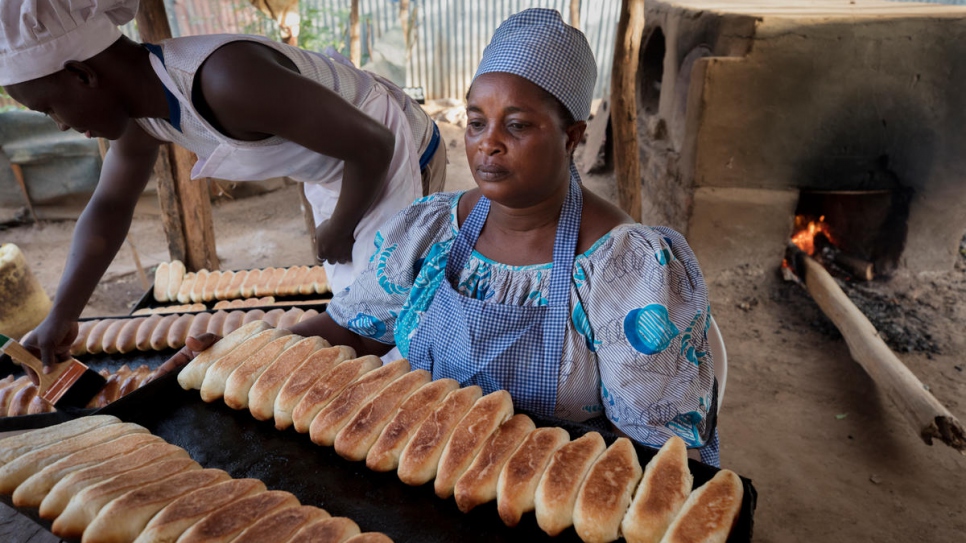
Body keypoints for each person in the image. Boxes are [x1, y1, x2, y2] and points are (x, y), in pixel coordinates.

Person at [288, 8, 720, 465]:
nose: (487, 143)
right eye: (476, 122)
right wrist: (255, 353)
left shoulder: (626, 270)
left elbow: (652, 453)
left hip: (550, 492)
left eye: (516, 125)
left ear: (572, 136)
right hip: (424, 467)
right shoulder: (431, 230)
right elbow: (351, 330)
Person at [0, 0, 445, 367]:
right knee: (356, 300)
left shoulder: (225, 80)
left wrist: (341, 225)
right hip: (342, 161)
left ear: (83, 75)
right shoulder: (144, 114)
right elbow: (110, 205)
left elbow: (373, 143)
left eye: (49, 110)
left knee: (385, 321)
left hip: (391, 150)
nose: (58, 125)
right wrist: (63, 314)